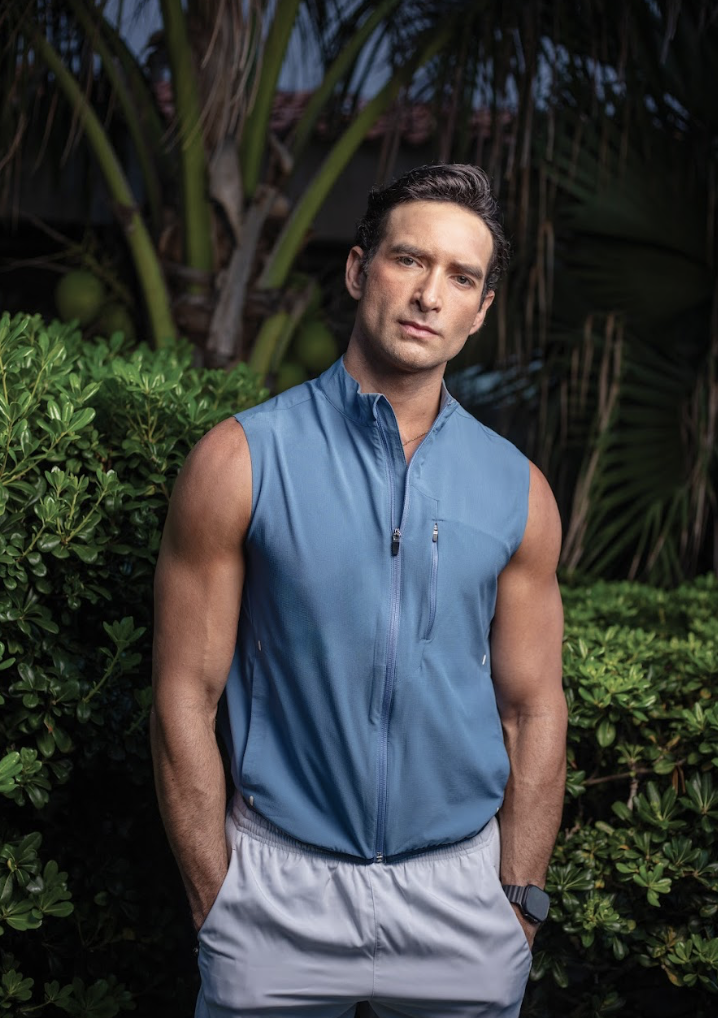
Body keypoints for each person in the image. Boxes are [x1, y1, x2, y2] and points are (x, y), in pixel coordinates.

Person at [151, 163, 567, 1018]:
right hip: (277, 893)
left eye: (461, 278)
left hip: (460, 903)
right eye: (408, 260)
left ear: (481, 310)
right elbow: (184, 694)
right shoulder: (239, 460)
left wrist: (518, 906)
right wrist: (217, 900)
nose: (429, 296)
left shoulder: (518, 490)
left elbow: (532, 709)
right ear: (357, 270)